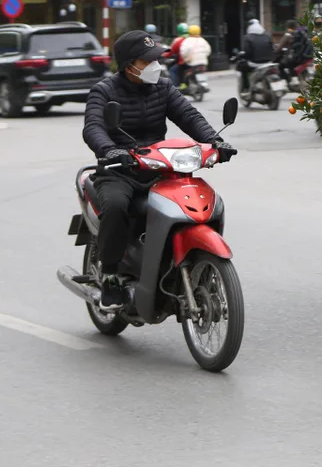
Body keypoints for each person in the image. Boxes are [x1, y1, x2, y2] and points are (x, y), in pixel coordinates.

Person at [82, 31, 235, 311]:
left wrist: (215, 141)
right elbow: (93, 127)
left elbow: (189, 116)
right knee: (116, 206)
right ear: (129, 65)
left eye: (157, 59)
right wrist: (111, 151)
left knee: (198, 201)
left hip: (160, 167)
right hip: (120, 169)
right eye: (148, 61)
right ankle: (112, 275)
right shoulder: (104, 91)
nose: (156, 66)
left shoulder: (163, 87)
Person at [238, 19, 274, 91]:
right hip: (268, 62)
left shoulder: (248, 37)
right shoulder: (267, 36)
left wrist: (242, 55)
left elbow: (247, 52)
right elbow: (272, 48)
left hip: (254, 63)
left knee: (242, 67)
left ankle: (246, 88)